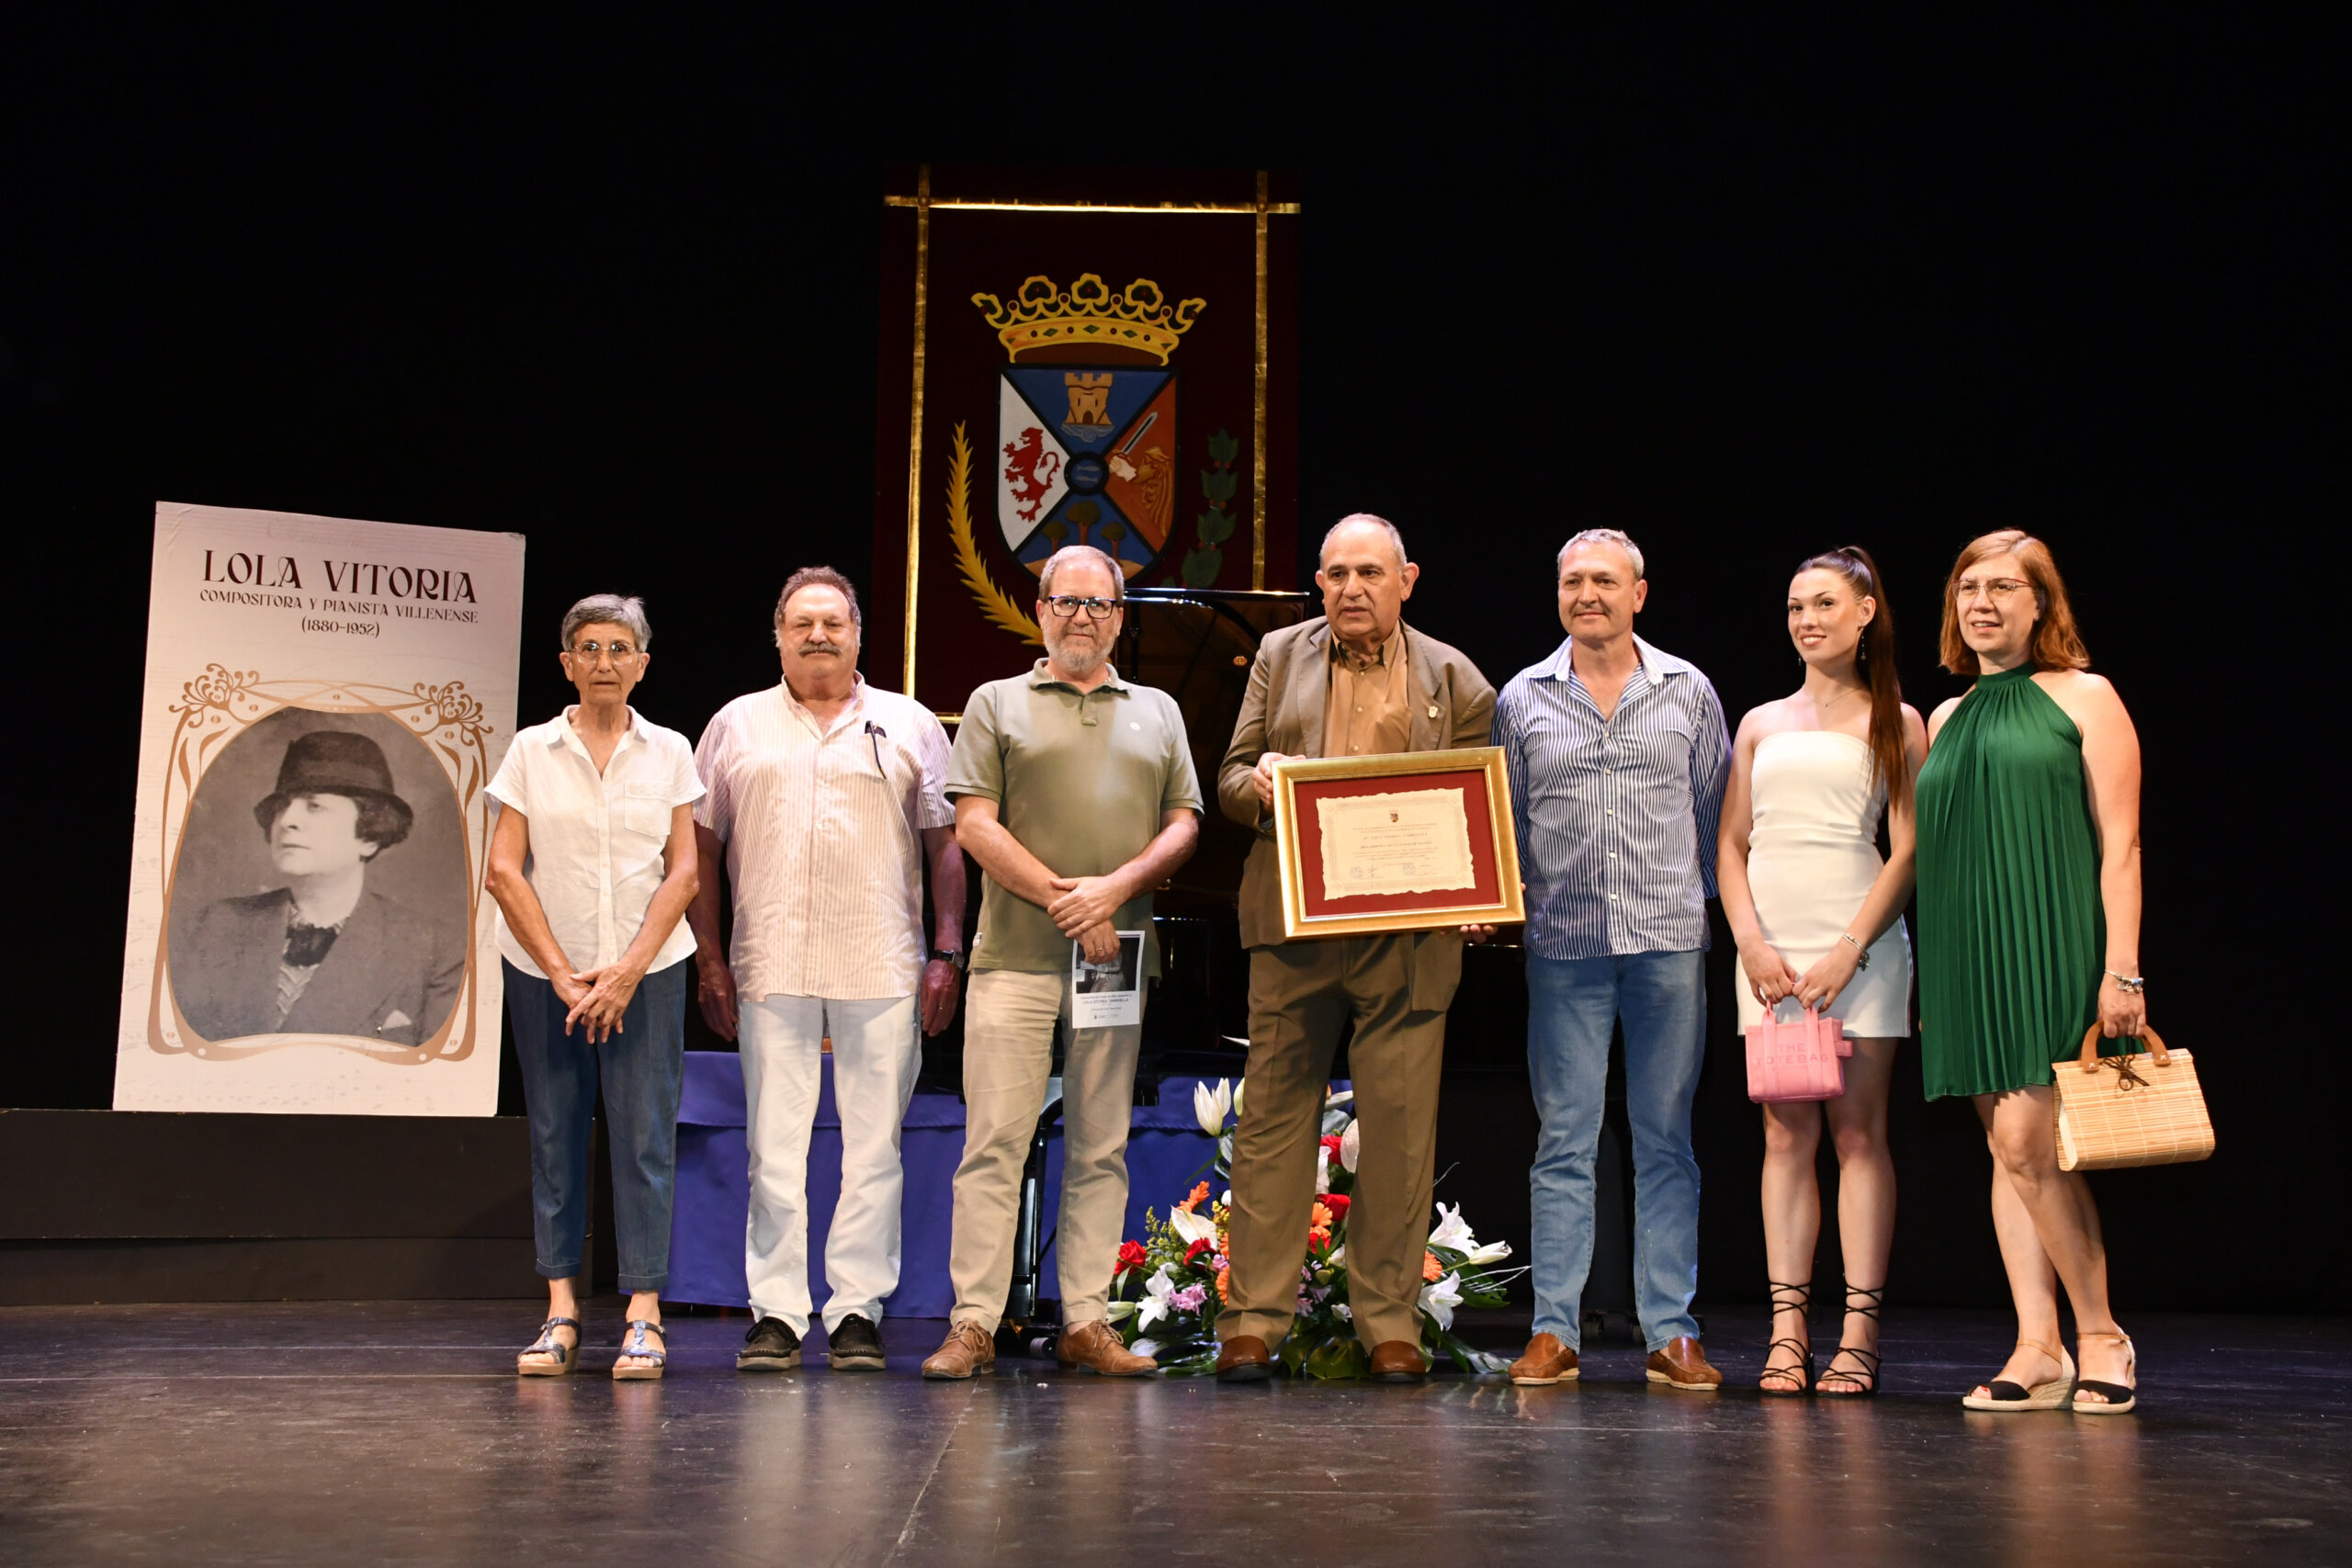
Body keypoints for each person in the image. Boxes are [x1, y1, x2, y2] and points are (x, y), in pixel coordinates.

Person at [1212, 513, 1497, 1386]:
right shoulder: (1277, 655)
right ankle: (1252, 1321)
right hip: (1293, 929)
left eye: (1369, 572)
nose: (1351, 588)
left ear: (1406, 580)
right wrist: (1259, 785)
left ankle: (1389, 1323)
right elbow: (1229, 778)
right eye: (1335, 573)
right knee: (1271, 1126)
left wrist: (1477, 889)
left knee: (1400, 1133)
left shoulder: (1457, 678)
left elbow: (1474, 807)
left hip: (1406, 940)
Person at [921, 544, 1202, 1381]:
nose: (1083, 616)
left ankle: (1085, 1318)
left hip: (1117, 959)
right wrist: (1065, 900)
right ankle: (974, 1321)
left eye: (1099, 604)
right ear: (1040, 610)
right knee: (994, 1142)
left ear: (1119, 617)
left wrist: (1112, 892)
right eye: (1067, 602)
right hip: (1012, 958)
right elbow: (974, 824)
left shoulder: (1159, 709)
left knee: (1101, 1145)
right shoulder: (995, 701)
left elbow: (1184, 824)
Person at [689, 566, 967, 1374]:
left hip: (882, 962)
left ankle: (855, 1312)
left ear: (857, 635)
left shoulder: (910, 723)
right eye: (801, 623)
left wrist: (947, 951)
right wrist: (710, 958)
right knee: (773, 1150)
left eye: (833, 623)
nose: (818, 635)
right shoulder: (735, 725)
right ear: (778, 636)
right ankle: (777, 1313)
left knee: (874, 1151)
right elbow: (699, 848)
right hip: (770, 962)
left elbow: (946, 844)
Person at [1493, 527, 1732, 1392]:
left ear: (1639, 593)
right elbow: (1507, 819)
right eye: (1572, 581)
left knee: (1666, 1136)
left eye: (1603, 580)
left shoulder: (1687, 690)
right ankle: (1554, 1329)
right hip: (1565, 948)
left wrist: (1689, 900)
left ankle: (1671, 1330)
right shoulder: (1522, 697)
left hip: (1667, 943)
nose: (1586, 594)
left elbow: (1716, 814)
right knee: (1564, 1138)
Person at [1917, 530, 2147, 1414]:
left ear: (2041, 602)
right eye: (1968, 587)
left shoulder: (2087, 696)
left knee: (2025, 1142)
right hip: (1967, 954)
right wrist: (1933, 975)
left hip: (2051, 941)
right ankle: (2038, 1343)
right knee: (2010, 1151)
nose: (1982, 602)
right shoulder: (1946, 717)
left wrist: (2122, 969)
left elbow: (2121, 844)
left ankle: (2102, 1334)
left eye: (2004, 587)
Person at [1716, 547, 1924, 1396]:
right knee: (1783, 1135)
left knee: (1858, 1134)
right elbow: (1731, 845)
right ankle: (1787, 1329)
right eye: (1797, 606)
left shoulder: (1897, 719)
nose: (1807, 619)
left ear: (1866, 611)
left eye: (1825, 603)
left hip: (1858, 951)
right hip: (1770, 959)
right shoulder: (1760, 721)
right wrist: (1751, 944)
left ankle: (1860, 1333)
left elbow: (1908, 848)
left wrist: (1850, 947)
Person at [485, 595, 704, 1380]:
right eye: (589, 647)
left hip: (646, 974)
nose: (604, 661)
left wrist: (628, 969)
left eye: (619, 648)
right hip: (549, 977)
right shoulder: (531, 750)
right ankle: (561, 1309)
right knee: (555, 1134)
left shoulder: (670, 749)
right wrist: (559, 970)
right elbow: (503, 869)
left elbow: (684, 871)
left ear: (642, 663)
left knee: (643, 1138)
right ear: (566, 663)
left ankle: (643, 1312)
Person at [175, 728, 465, 1047]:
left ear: (369, 836)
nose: (287, 820)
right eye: (283, 806)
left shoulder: (434, 951)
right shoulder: (213, 926)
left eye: (315, 806)